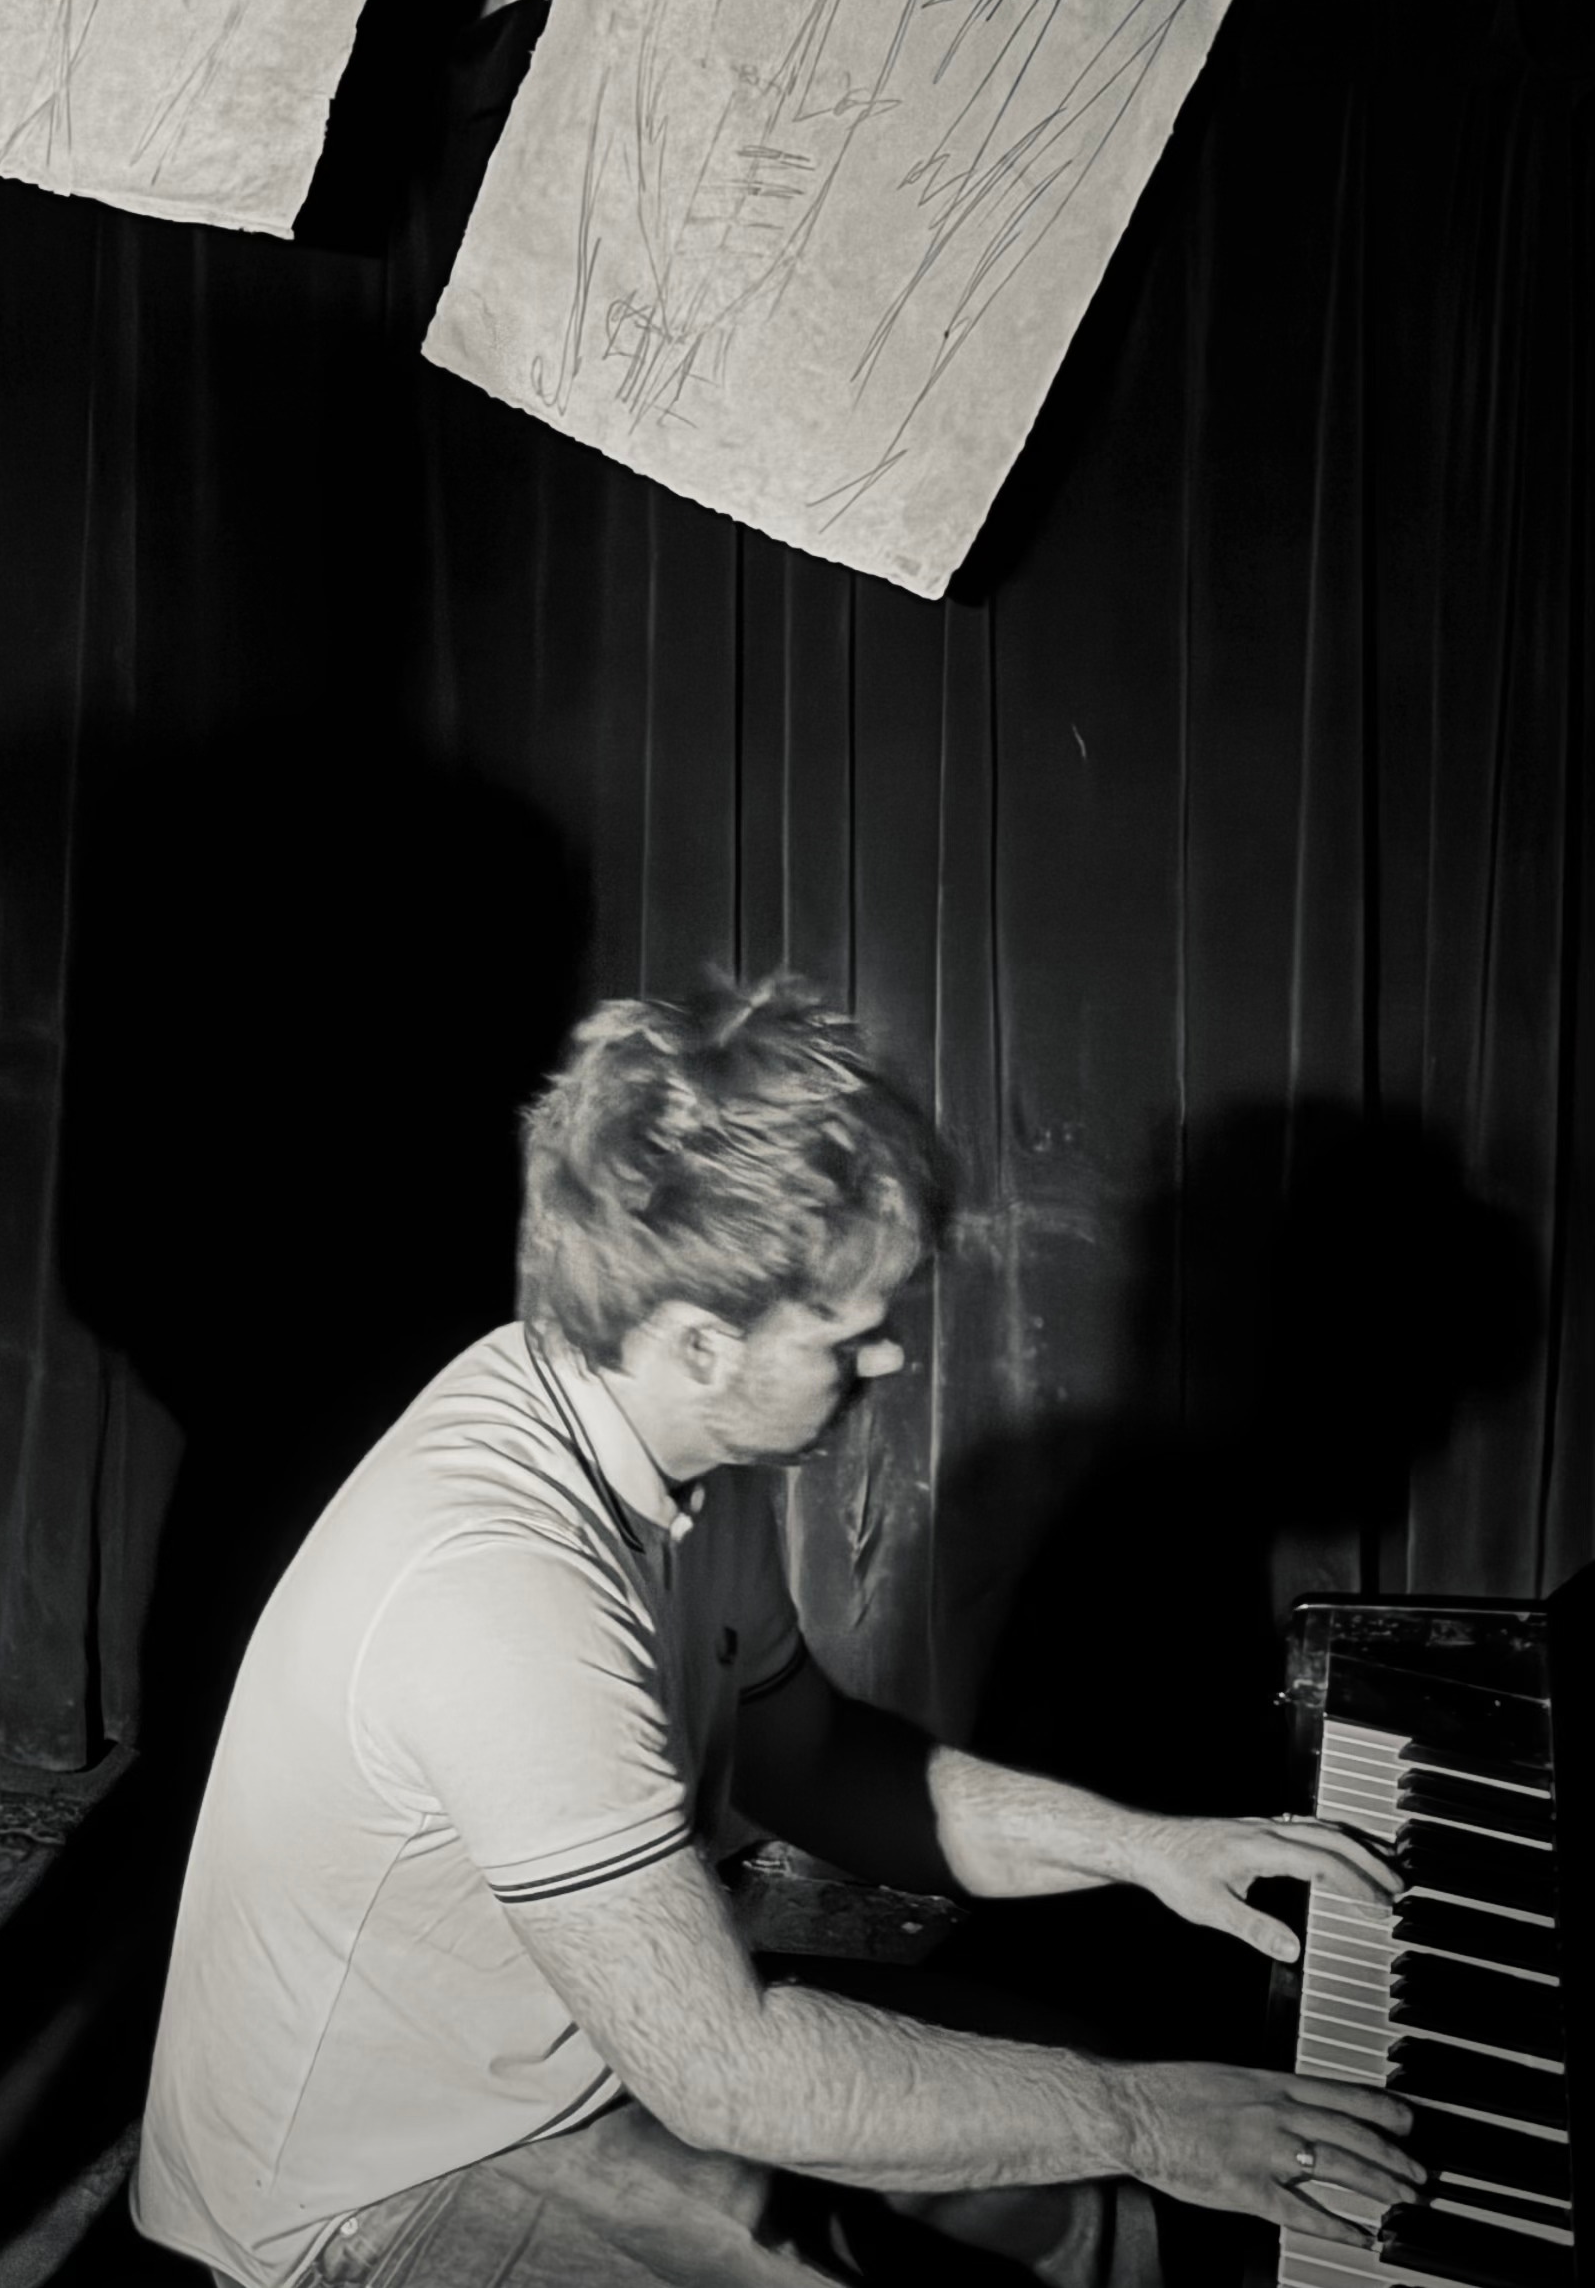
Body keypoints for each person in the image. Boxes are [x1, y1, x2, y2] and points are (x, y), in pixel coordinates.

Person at [135, 974, 1420, 2288]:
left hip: (592, 2052)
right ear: (700, 1343)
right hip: (372, 2189)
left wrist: (1138, 1847)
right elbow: (729, 2076)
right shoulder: (499, 1591)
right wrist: (1148, 2120)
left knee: (1080, 2160)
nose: (891, 1369)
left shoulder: (674, 1439)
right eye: (854, 1338)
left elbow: (810, 1761)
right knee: (1111, 2122)